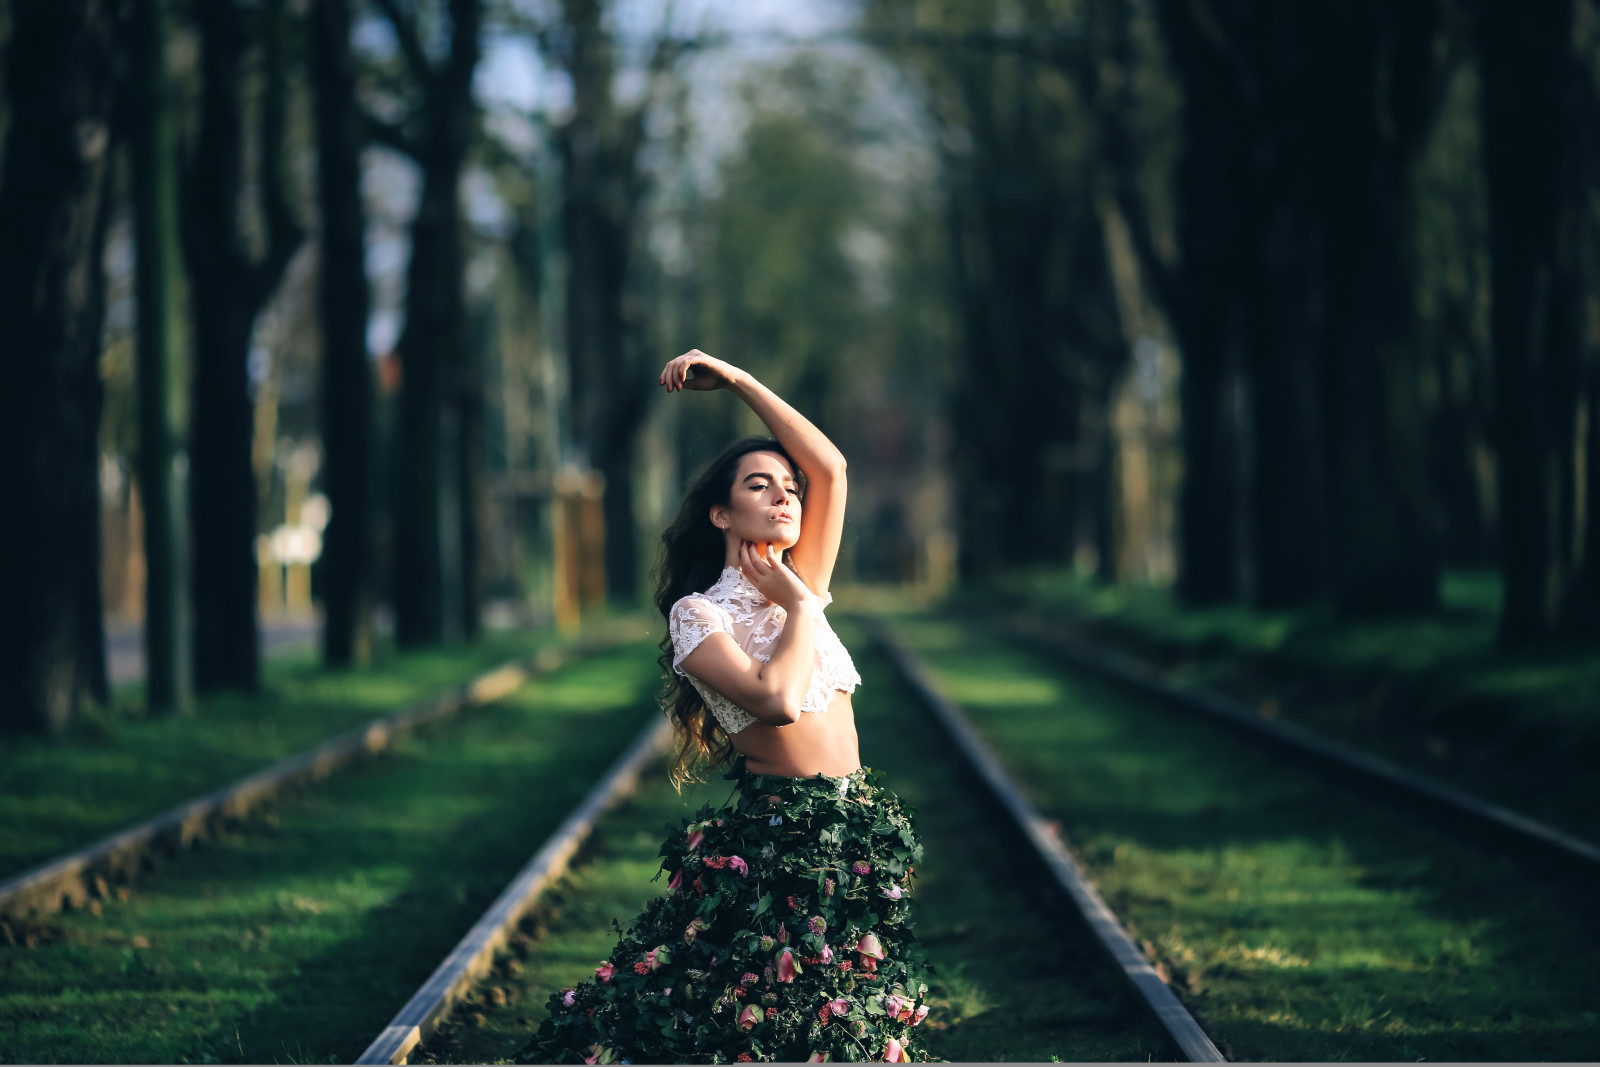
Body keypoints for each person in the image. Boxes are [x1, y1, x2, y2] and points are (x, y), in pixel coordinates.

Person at [523, 351, 934, 1064]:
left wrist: (740, 381)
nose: (784, 497)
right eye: (758, 484)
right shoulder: (699, 615)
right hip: (781, 842)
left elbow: (832, 468)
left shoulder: (802, 579)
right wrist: (801, 605)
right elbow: (775, 702)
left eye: (787, 488)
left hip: (855, 830)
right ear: (721, 511)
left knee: (837, 1014)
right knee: (767, 1020)